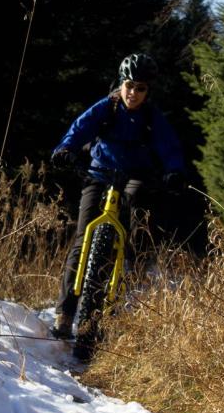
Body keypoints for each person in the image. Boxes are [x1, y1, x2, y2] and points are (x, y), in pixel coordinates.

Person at [49, 53, 186, 340]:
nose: (133, 93)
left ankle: (117, 296)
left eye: (141, 88)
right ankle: (65, 312)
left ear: (148, 91)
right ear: (121, 84)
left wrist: (174, 170)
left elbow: (169, 146)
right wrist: (65, 150)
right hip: (100, 174)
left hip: (135, 176)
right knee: (83, 234)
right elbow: (79, 128)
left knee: (133, 216)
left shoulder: (152, 117)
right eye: (129, 86)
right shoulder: (106, 108)